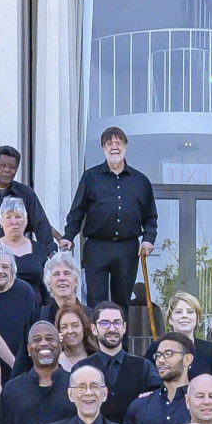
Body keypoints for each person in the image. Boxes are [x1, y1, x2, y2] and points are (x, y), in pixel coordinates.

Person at [64, 125, 157, 308]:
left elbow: (151, 217)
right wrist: (68, 237)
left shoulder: (141, 181)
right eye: (109, 143)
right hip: (97, 246)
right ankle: (94, 337)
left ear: (126, 146)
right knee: (94, 301)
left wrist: (148, 239)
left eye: (118, 142)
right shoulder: (90, 177)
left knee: (122, 301)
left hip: (127, 248)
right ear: (103, 148)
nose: (114, 147)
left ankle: (121, 338)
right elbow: (77, 211)